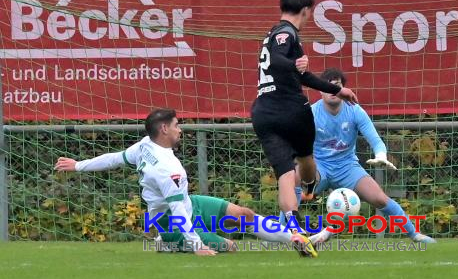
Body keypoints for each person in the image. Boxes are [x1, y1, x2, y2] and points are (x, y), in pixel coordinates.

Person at [55, 108, 318, 257]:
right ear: (164, 130)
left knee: (243, 214)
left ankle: (296, 239)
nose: (181, 129)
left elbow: (114, 158)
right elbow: (179, 212)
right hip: (172, 221)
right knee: (231, 247)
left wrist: (78, 165)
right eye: (177, 125)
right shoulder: (170, 169)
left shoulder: (145, 146)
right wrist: (198, 246)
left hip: (189, 204)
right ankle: (168, 241)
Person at [284, 68, 436, 244]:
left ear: (343, 89)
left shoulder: (355, 110)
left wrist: (381, 155)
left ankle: (415, 235)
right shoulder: (311, 113)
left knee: (379, 198)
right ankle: (283, 236)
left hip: (348, 167)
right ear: (320, 90)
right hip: (320, 167)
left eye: (337, 86)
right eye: (328, 87)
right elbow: (297, 145)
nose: (332, 91)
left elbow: (377, 142)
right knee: (292, 182)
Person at [251, 0, 358, 234]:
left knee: (285, 174)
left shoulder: (270, 35)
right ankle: (309, 187)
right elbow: (281, 62)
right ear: (306, 10)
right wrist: (294, 64)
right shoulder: (287, 34)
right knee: (306, 159)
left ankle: (293, 227)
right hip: (290, 110)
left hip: (263, 112)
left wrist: (337, 90)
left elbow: (303, 75)